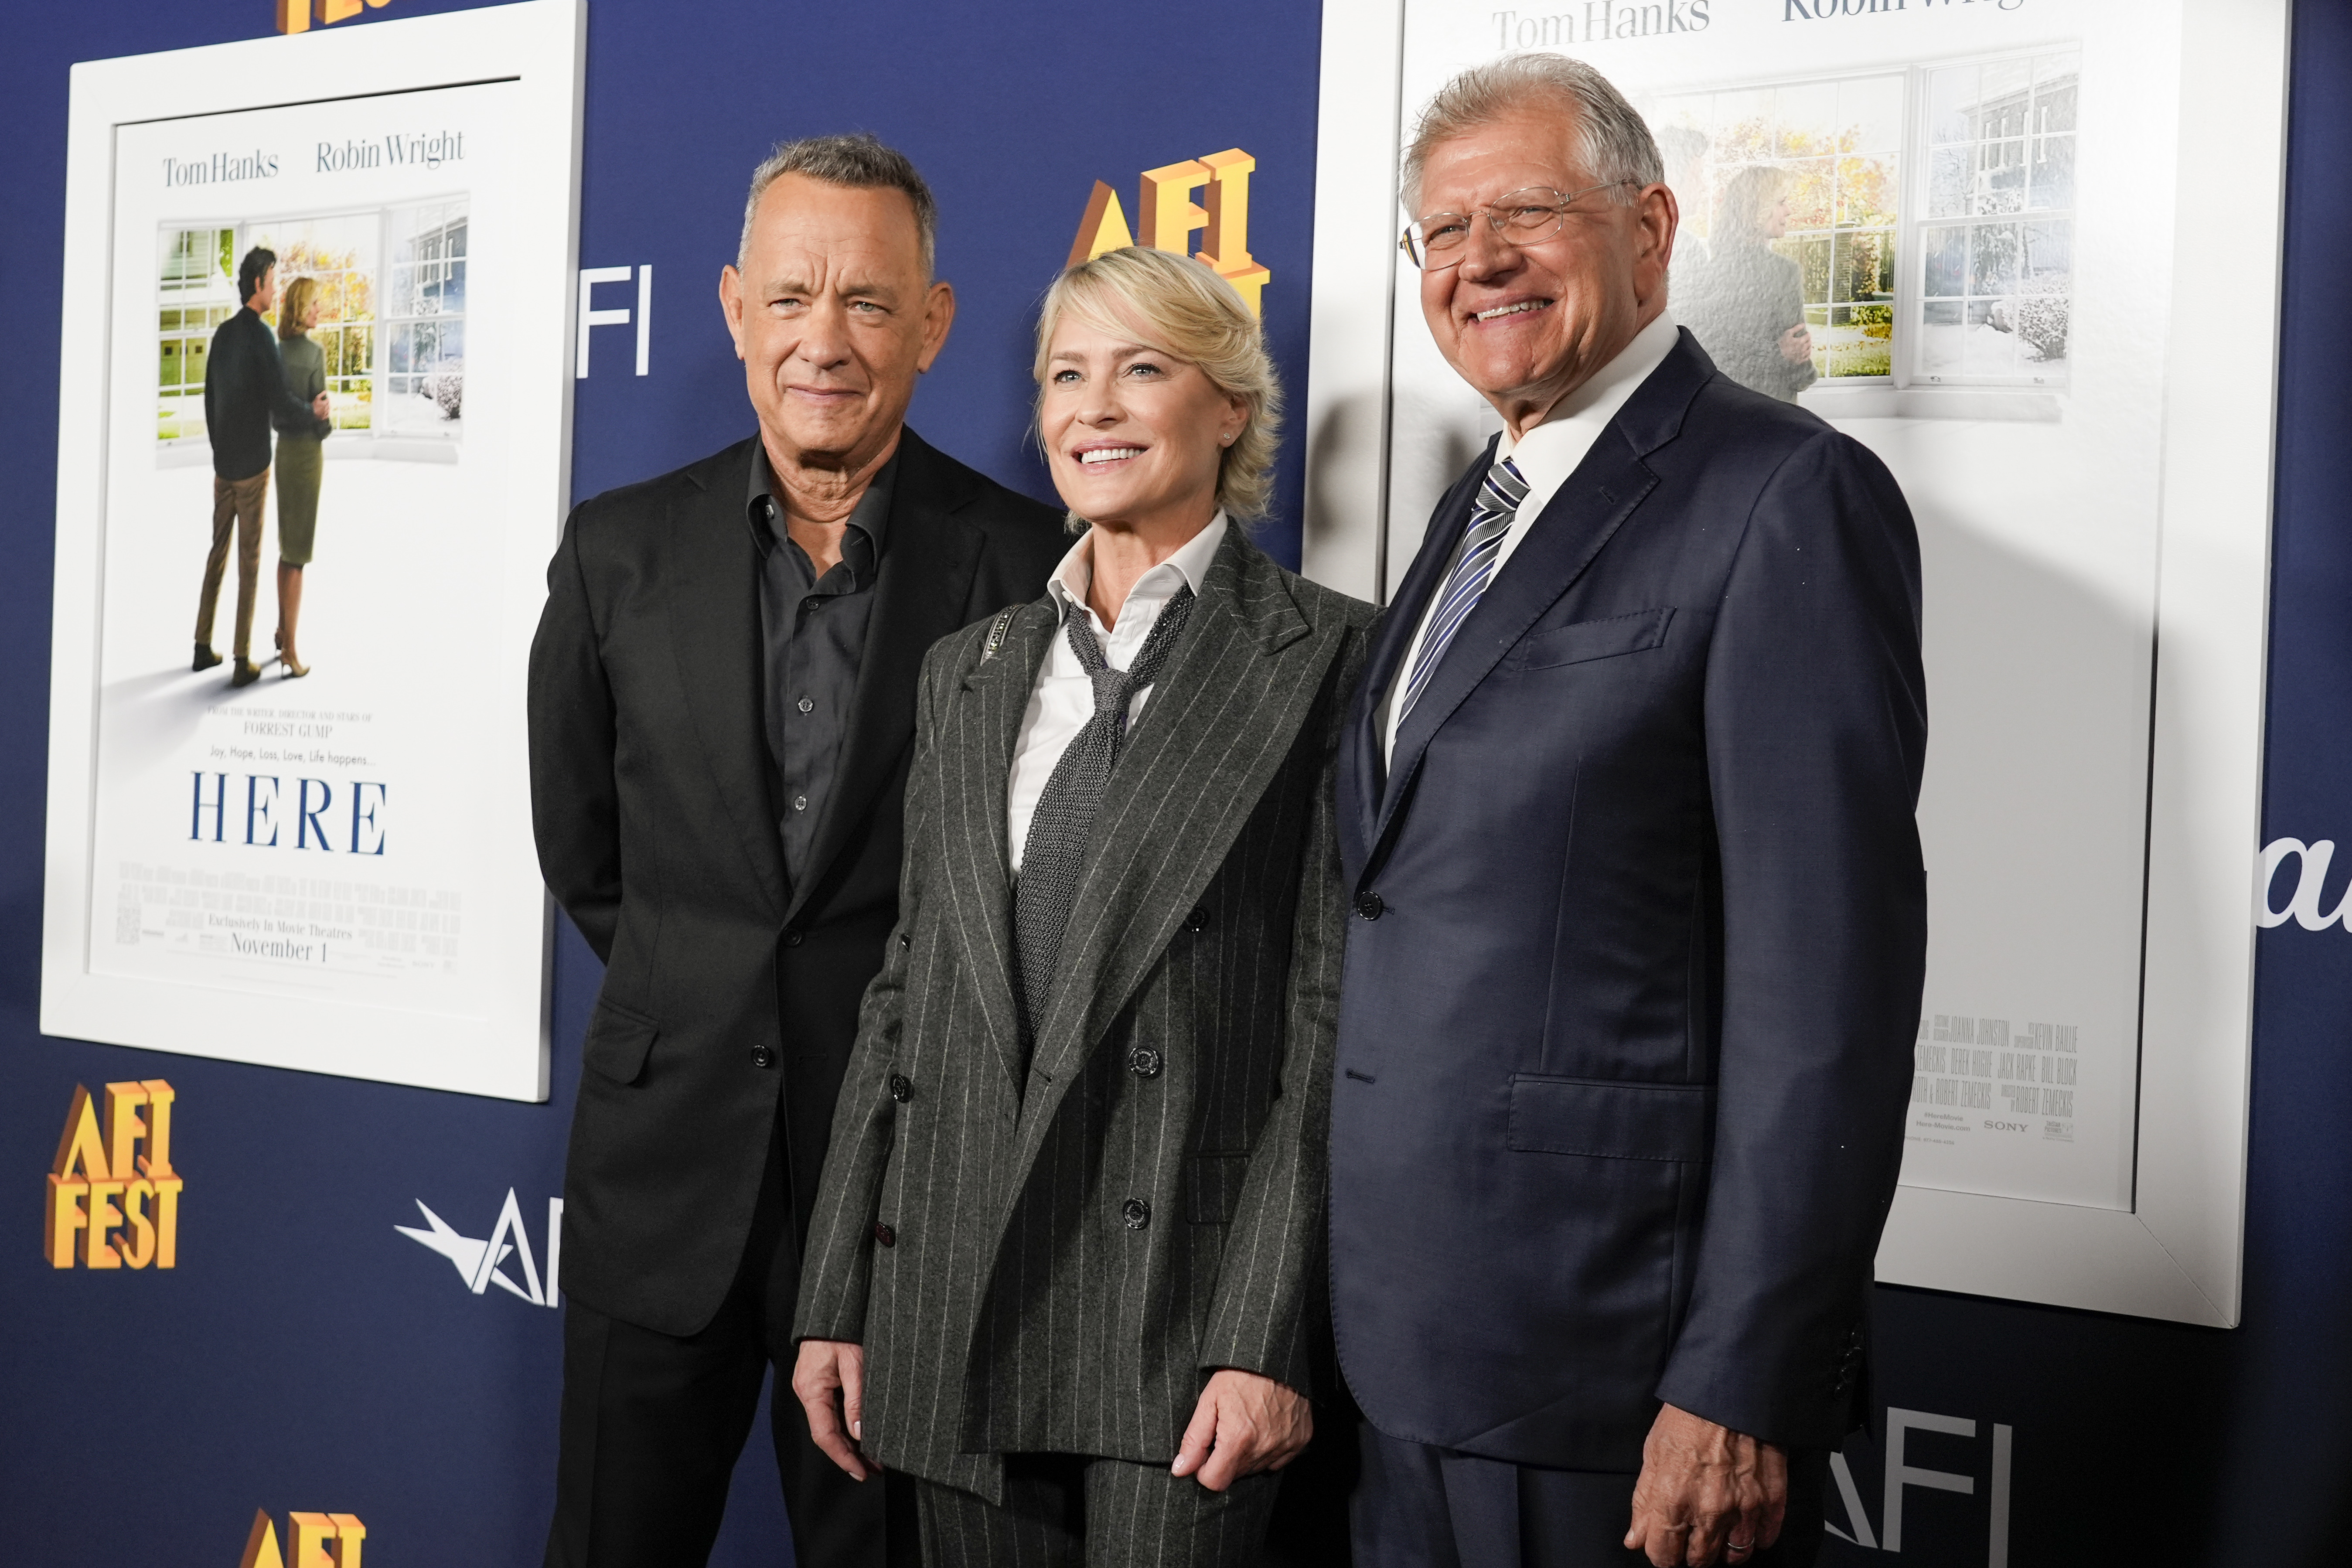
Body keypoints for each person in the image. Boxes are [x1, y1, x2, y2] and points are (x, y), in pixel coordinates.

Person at [1330, 54, 1926, 1568]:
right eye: (1443, 234)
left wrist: (1741, 1378)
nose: (1479, 260)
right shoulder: (1482, 507)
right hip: (1400, 1350)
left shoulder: (1785, 496)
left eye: (1527, 210)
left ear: (1651, 227)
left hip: (1611, 1369)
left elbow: (1827, 995)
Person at [527, 133, 1066, 1568]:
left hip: (907, 1198)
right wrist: (703, 994)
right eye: (790, 297)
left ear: (934, 324)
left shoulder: (1028, 562)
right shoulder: (615, 551)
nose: (824, 338)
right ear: (731, 308)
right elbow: (583, 847)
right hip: (664, 1182)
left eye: (869, 303)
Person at [790, 245, 1374, 1567]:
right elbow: (909, 992)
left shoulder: (1330, 655)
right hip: (952, 1289)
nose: (1093, 407)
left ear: (1230, 406)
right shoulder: (971, 670)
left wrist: (1263, 1335)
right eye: (1066, 375)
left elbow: (1331, 1031)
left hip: (1176, 1320)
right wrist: (841, 1289)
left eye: (1142, 369)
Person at [198, 246, 329, 686]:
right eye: (272, 281)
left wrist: (219, 451)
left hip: (224, 467)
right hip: (253, 467)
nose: (275, 289)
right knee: (250, 562)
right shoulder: (261, 339)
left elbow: (210, 398)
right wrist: (313, 415)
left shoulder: (222, 334)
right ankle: (241, 659)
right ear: (258, 285)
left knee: (217, 553)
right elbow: (279, 400)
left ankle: (201, 645)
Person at [1676, 166, 1817, 402]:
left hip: (1720, 403)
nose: (1789, 211)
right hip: (1773, 406)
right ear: (1758, 210)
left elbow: (1709, 348)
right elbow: (1799, 365)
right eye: (1781, 202)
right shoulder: (1783, 272)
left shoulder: (1708, 271)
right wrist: (1792, 363)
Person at [271, 275, 328, 678]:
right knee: (298, 555)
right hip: (307, 457)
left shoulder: (274, 354)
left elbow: (275, 415)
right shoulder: (314, 355)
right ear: (298, 310)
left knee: (286, 550)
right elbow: (321, 417)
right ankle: (290, 649)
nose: (318, 311)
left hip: (283, 455)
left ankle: (281, 631)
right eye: (312, 305)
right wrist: (322, 417)